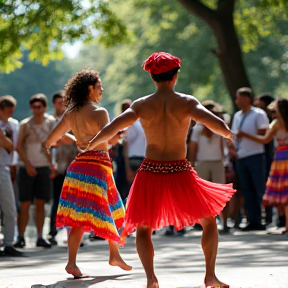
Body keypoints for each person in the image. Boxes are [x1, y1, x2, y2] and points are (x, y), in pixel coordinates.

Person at [85, 52, 235, 288]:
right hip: (179, 171)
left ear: (153, 78)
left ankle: (151, 279)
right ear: (175, 76)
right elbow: (214, 122)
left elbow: (115, 126)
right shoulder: (187, 102)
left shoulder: (142, 104)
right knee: (209, 221)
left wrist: (91, 143)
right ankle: (210, 276)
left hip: (151, 171)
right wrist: (227, 133)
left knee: (143, 228)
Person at [44, 69, 131, 278]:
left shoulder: (71, 113)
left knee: (78, 217)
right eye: (99, 85)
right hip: (98, 167)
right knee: (109, 208)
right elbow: (107, 140)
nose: (102, 89)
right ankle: (113, 254)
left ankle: (73, 262)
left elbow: (50, 140)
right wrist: (118, 135)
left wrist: (76, 140)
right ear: (90, 88)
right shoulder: (100, 113)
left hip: (77, 169)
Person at [237, 98, 288, 234]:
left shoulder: (276, 124)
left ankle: (284, 223)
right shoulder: (279, 123)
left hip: (280, 158)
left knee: (281, 190)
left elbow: (265, 139)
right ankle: (284, 223)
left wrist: (245, 135)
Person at [15, 94, 56, 248]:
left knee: (41, 203)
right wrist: (27, 164)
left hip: (43, 167)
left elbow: (56, 142)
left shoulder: (51, 123)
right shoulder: (25, 124)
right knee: (24, 203)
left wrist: (52, 161)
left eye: (39, 107)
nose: (36, 110)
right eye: (34, 107)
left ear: (44, 108)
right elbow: (18, 146)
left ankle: (40, 236)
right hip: (27, 168)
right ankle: (20, 236)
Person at [231, 87, 269, 231]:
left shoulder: (258, 114)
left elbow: (263, 135)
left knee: (259, 188)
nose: (237, 101)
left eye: (239, 98)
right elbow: (235, 135)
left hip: (255, 155)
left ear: (247, 98)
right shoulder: (237, 116)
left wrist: (245, 135)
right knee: (246, 190)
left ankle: (264, 219)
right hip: (241, 156)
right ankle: (252, 220)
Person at [47, 91, 78, 245]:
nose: (62, 105)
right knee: (57, 201)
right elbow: (48, 146)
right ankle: (52, 232)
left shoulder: (72, 120)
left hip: (72, 165)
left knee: (72, 202)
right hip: (57, 167)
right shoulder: (49, 122)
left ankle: (72, 234)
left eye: (64, 102)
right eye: (59, 102)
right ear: (54, 104)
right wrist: (51, 165)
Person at [0, 96, 23, 256]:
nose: (10, 113)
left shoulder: (14, 124)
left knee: (10, 208)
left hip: (5, 167)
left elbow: (12, 146)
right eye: (8, 110)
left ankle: (9, 243)